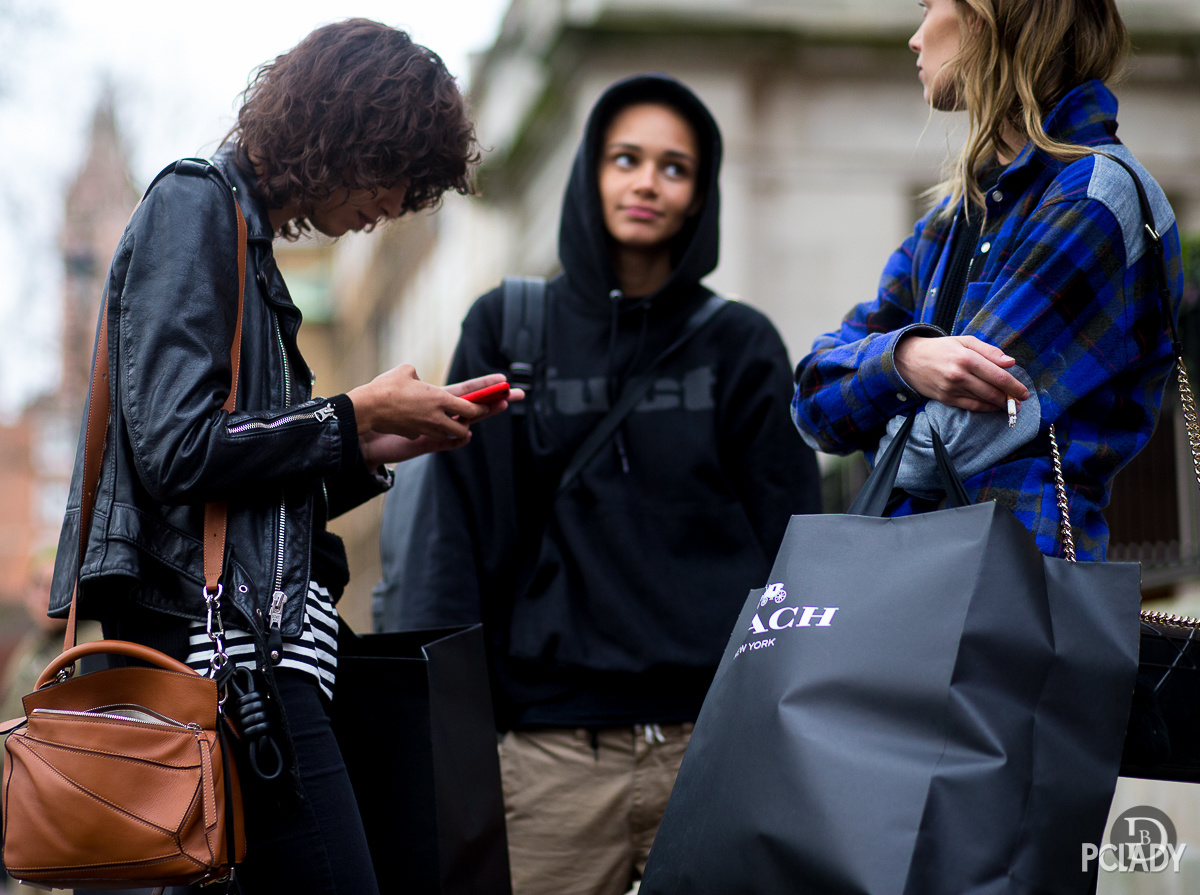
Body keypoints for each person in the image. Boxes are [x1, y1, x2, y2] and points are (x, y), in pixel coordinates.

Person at [45, 19, 515, 895]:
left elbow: (233, 494)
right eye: (393, 176)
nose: (387, 209)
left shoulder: (251, 249)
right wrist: (347, 412)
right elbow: (176, 450)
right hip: (229, 668)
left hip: (252, 665)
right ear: (346, 134)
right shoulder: (196, 205)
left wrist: (367, 443)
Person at [387, 74, 822, 895]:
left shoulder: (742, 346)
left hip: (714, 750)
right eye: (626, 158)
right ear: (591, 171)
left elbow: (796, 549)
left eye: (674, 166)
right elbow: (456, 535)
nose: (647, 182)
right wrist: (462, 733)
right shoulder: (506, 327)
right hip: (550, 757)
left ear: (699, 194)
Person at [793, 0, 1183, 560]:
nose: (915, 37)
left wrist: (872, 397)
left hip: (1013, 592)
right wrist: (905, 362)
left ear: (987, 16)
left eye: (929, 7)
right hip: (911, 578)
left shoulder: (1094, 199)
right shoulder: (953, 219)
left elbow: (936, 450)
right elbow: (808, 399)